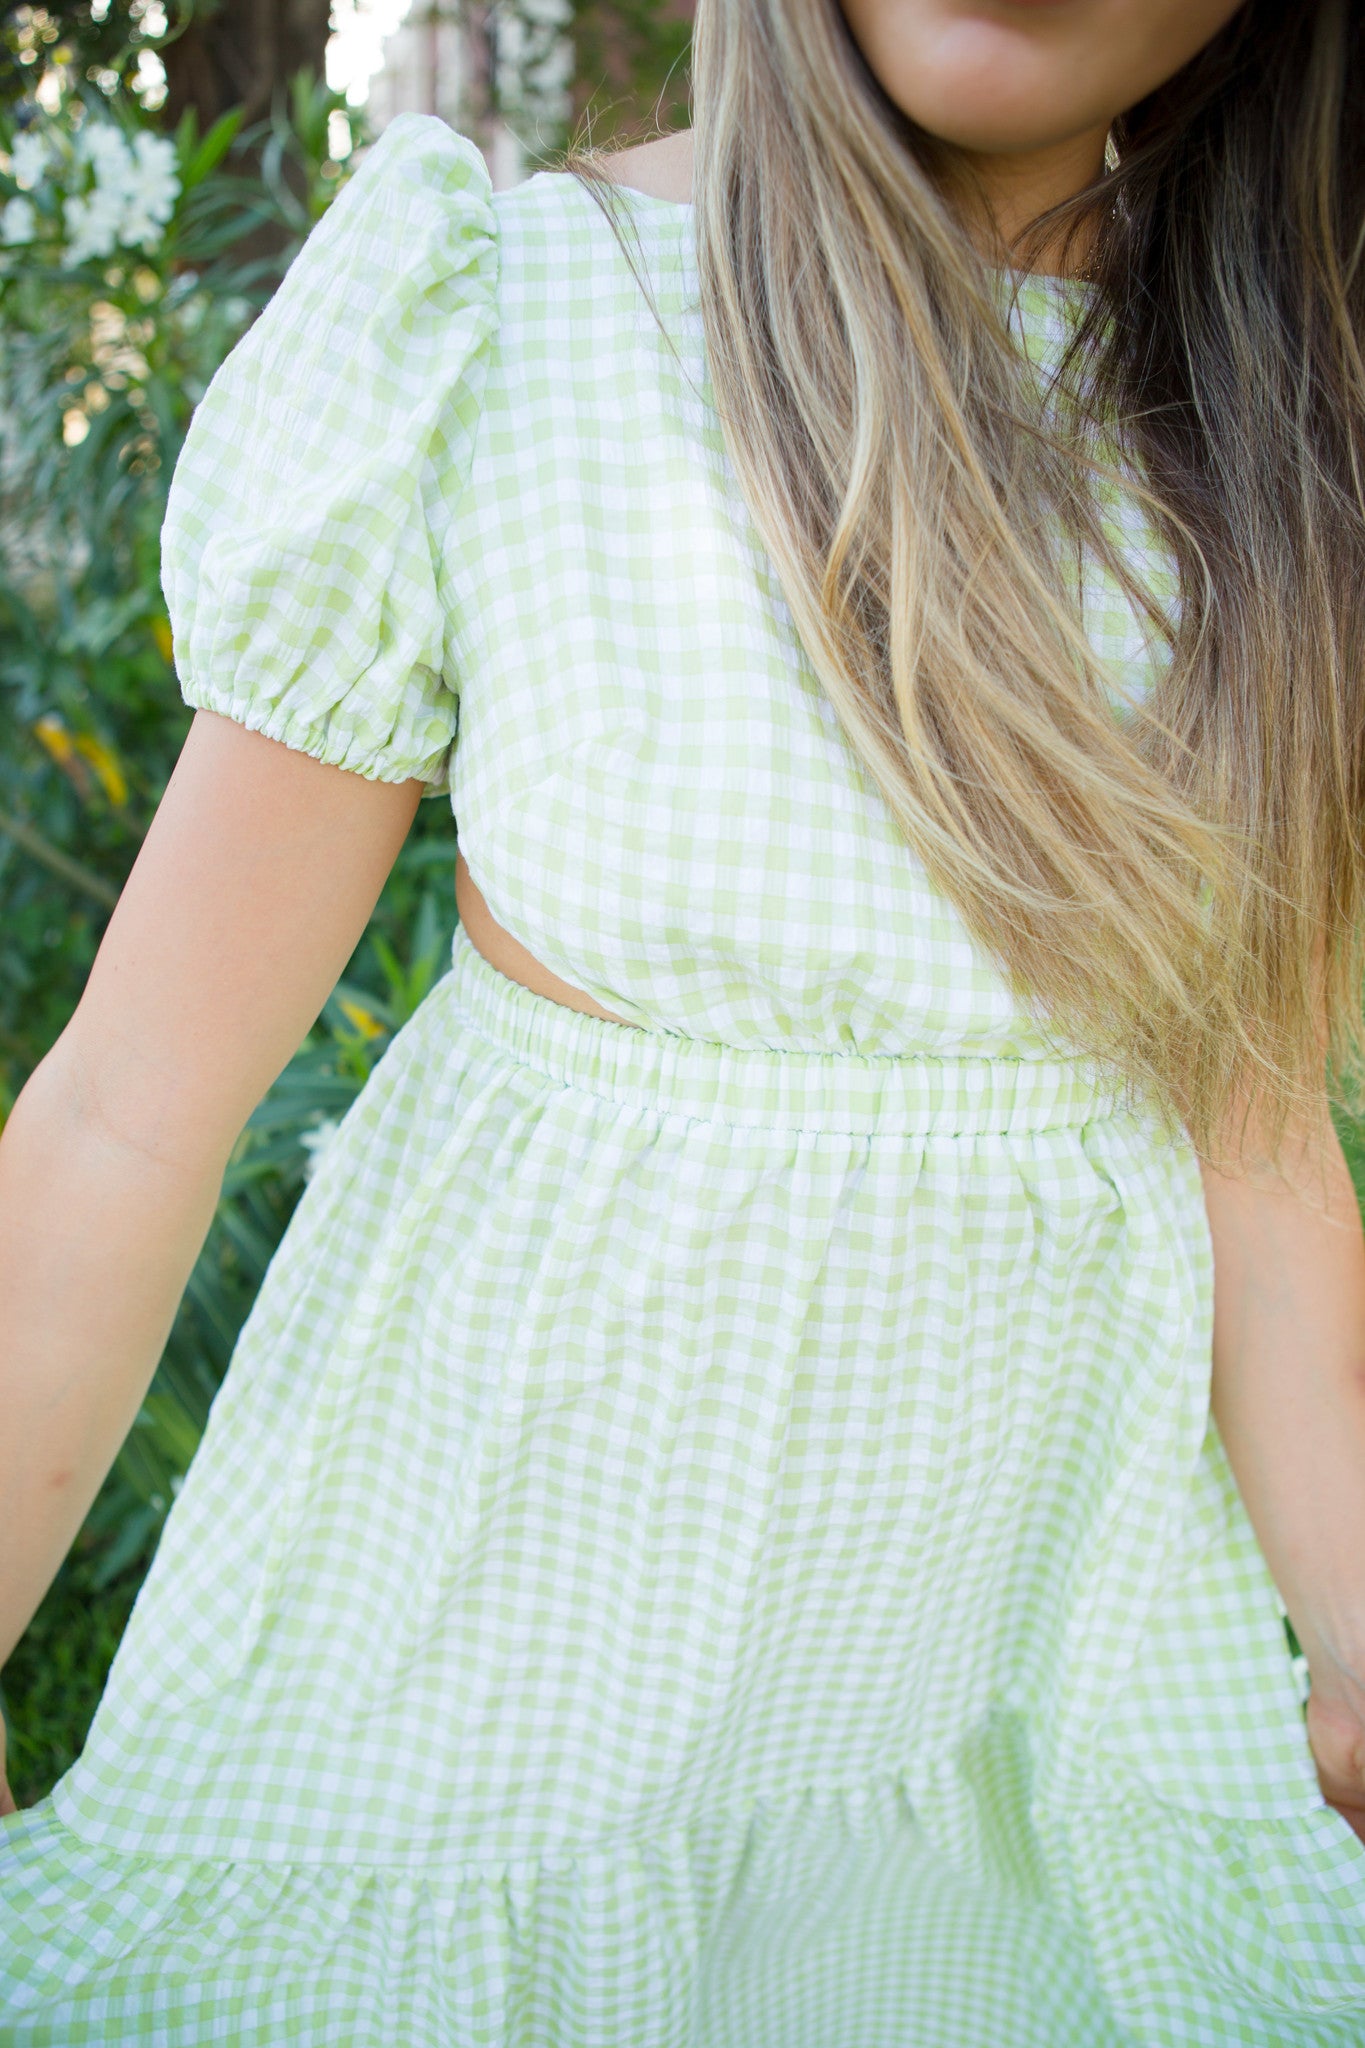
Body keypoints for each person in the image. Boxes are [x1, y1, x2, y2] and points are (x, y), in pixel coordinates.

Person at [3, 0, 1365, 2038]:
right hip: (470, 1714)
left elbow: (1255, 1162)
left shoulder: (1258, 447)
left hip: (1007, 1720)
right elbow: (128, 1108)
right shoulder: (506, 316)